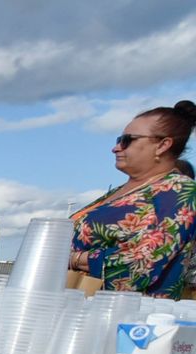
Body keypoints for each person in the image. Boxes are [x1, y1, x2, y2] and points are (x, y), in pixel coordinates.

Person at [70, 101, 196, 297]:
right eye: (119, 139)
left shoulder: (178, 190)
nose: (116, 147)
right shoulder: (125, 190)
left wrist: (74, 259)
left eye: (128, 140)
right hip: (80, 301)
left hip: (127, 315)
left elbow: (142, 262)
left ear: (162, 145)